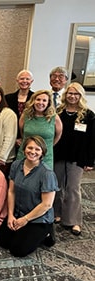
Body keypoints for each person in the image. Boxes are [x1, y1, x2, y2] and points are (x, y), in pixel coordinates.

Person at [0, 136, 58, 257]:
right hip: (19, 213)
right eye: (30, 148)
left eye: (37, 149)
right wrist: (10, 215)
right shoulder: (16, 165)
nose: (33, 152)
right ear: (24, 149)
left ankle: (47, 233)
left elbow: (47, 204)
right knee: (3, 242)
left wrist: (25, 220)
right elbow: (11, 191)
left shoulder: (47, 174)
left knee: (18, 250)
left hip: (38, 218)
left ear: (42, 153)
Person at [54, 82, 95, 236]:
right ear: (66, 95)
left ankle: (73, 220)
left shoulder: (88, 115)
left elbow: (92, 140)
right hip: (58, 154)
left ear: (80, 96)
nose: (72, 96)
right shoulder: (58, 112)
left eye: (76, 94)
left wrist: (90, 161)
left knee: (73, 188)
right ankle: (56, 213)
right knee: (57, 186)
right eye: (70, 93)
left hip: (77, 157)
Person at [17, 90, 62, 169]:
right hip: (25, 156)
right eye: (38, 99)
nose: (40, 102)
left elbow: (58, 136)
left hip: (45, 157)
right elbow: (22, 133)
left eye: (44, 100)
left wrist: (46, 146)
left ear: (48, 103)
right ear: (33, 101)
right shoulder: (26, 115)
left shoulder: (54, 117)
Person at [5, 70, 35, 152]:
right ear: (17, 80)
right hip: (11, 136)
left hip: (30, 138)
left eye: (27, 79)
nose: (24, 81)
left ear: (32, 81)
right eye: (22, 79)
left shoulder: (36, 98)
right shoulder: (8, 98)